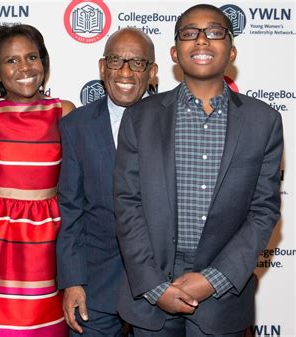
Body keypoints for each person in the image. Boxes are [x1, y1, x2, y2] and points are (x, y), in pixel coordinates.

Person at [114, 4, 283, 337]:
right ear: (175, 53)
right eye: (190, 33)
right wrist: (153, 284)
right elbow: (127, 205)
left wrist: (214, 279)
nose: (202, 41)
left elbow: (263, 211)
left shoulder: (263, 120)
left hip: (223, 293)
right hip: (151, 289)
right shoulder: (139, 118)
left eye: (215, 32)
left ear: (231, 50)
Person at [0, 24, 75, 336]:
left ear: (43, 62)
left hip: (48, 238)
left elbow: (77, 181)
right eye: (12, 61)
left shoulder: (63, 111)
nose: (25, 67)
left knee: (48, 325)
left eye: (32, 57)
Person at [56, 27, 157, 336]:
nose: (125, 71)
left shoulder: (171, 123)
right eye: (116, 61)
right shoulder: (76, 126)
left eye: (137, 63)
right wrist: (73, 280)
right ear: (102, 67)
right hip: (96, 287)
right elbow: (70, 210)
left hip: (159, 286)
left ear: (152, 72)